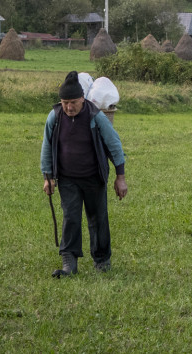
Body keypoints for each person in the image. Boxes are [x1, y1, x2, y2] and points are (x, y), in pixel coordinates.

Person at [41, 71, 127, 277]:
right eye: (64, 102)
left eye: (73, 102)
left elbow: (114, 145)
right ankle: (69, 262)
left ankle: (102, 260)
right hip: (67, 178)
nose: (69, 107)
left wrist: (120, 177)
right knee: (70, 217)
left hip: (94, 177)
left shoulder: (95, 116)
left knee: (98, 218)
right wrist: (48, 177)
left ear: (82, 99)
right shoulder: (55, 116)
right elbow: (47, 146)